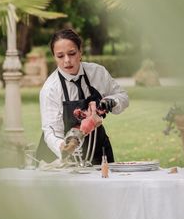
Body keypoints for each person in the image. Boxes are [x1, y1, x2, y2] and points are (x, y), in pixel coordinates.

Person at [36, 28, 129, 164]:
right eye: (60, 56)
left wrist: (113, 101)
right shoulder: (50, 89)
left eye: (72, 53)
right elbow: (51, 131)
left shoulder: (98, 73)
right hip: (59, 157)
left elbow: (123, 96)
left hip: (97, 148)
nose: (67, 60)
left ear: (80, 52)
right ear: (54, 56)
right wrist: (65, 148)